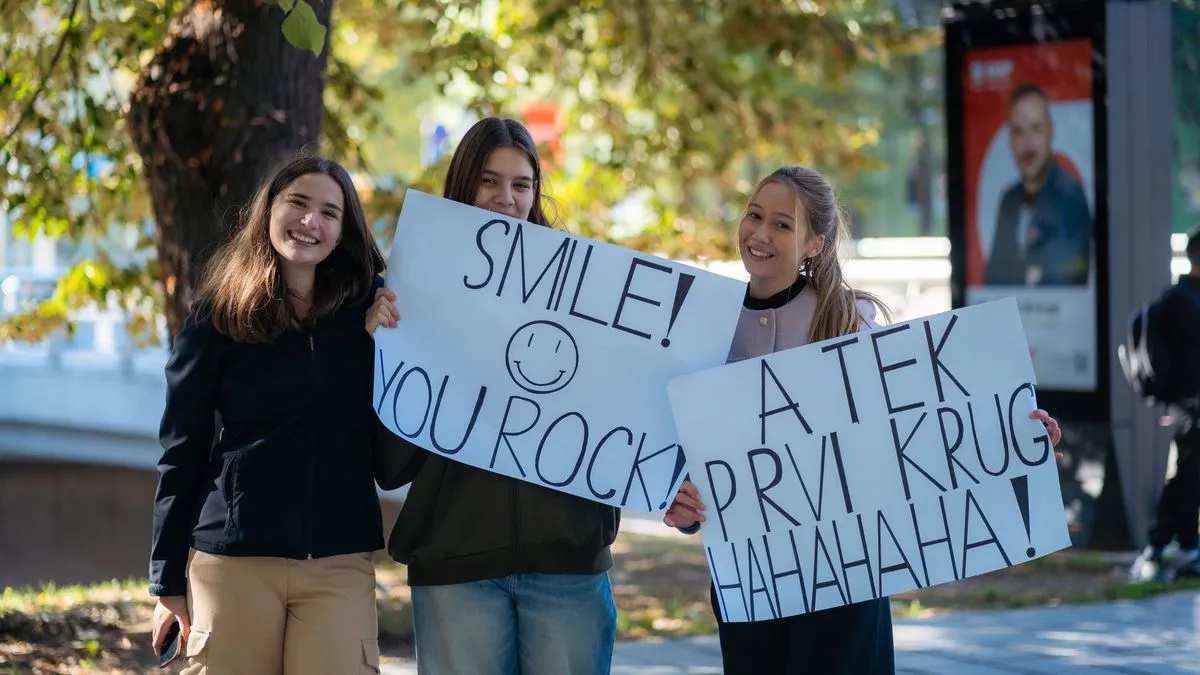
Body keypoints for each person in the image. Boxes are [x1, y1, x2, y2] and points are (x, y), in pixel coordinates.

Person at [661, 166, 1065, 674]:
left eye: (782, 224)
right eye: (754, 216)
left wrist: (1010, 437)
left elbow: (921, 426)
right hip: (750, 581)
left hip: (843, 580)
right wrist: (680, 506)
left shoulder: (850, 321)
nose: (760, 234)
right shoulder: (702, 326)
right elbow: (683, 454)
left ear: (814, 243)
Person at [366, 117, 619, 675]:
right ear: (462, 185)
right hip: (456, 567)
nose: (506, 198)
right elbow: (391, 462)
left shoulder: (588, 294)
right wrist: (381, 349)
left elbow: (624, 416)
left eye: (521, 184)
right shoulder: (410, 293)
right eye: (489, 181)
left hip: (567, 567)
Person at [148, 154, 388, 674]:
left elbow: (398, 429)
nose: (310, 221)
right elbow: (182, 450)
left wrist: (386, 345)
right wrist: (167, 581)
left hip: (338, 561)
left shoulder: (373, 314)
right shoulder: (219, 314)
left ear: (343, 231)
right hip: (234, 561)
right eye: (297, 203)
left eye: (329, 212)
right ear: (269, 210)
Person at [1129, 225, 1200, 582]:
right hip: (1188, 406)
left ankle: (1182, 546)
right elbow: (1185, 362)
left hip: (1189, 405)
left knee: (1190, 476)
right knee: (1188, 476)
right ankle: (1161, 546)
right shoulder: (1181, 300)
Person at [985, 83, 1093, 287]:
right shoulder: (1009, 200)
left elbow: (1059, 282)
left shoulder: (1069, 197)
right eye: (1019, 132)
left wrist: (1016, 274)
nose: (1028, 144)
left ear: (1050, 132)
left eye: (1036, 129)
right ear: (1010, 140)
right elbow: (993, 281)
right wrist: (1028, 272)